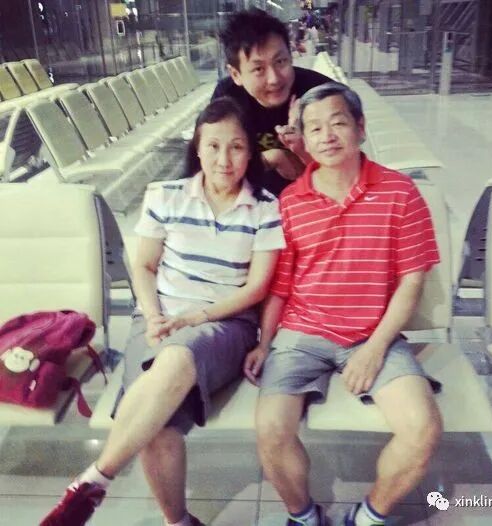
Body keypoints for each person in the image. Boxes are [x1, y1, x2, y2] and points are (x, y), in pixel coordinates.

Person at [40, 97, 285, 526]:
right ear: (197, 148)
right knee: (159, 429)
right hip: (159, 317)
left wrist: (194, 319)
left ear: (251, 151)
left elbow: (257, 288)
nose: (224, 160)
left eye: (236, 147)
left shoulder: (266, 208)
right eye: (213, 146)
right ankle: (178, 522)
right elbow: (145, 266)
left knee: (175, 357)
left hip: (225, 323)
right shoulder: (165, 196)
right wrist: (153, 316)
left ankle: (94, 480)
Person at [244, 83, 443, 526]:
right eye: (314, 128)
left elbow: (412, 280)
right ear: (303, 139)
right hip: (301, 333)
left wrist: (375, 348)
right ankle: (303, 516)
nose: (327, 136)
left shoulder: (400, 192)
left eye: (338, 123)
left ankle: (369, 516)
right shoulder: (291, 201)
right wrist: (265, 341)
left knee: (423, 429)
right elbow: (280, 287)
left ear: (360, 128)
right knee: (271, 430)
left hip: (374, 334)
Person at [212, 8, 332, 196]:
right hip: (255, 199)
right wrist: (273, 157)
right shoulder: (228, 98)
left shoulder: (320, 93)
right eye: (258, 69)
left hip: (318, 198)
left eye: (280, 62)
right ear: (236, 74)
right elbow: (215, 168)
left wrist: (304, 149)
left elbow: (349, 170)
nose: (274, 79)